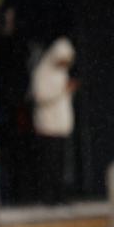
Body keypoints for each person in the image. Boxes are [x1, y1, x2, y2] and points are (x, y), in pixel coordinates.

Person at [31, 36, 77, 205]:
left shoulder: (62, 73)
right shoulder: (42, 71)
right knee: (49, 164)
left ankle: (60, 196)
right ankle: (48, 197)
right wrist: (62, 90)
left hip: (61, 126)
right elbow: (40, 96)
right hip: (47, 126)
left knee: (61, 164)